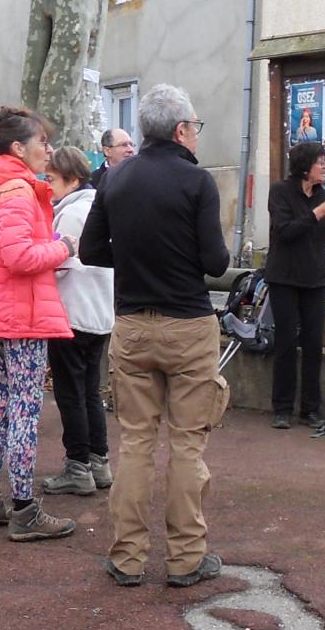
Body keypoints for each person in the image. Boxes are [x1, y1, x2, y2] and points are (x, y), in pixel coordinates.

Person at [79, 83, 229, 589]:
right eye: (196, 127)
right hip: (188, 324)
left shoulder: (116, 178)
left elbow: (91, 250)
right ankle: (186, 559)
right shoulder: (197, 182)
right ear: (182, 129)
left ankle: (127, 557)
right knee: (187, 446)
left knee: (136, 443)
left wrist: (139, 257)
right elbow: (215, 262)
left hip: (132, 325)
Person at [0, 107, 78, 542]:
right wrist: (63, 247)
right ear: (19, 148)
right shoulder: (17, 191)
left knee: (2, 407)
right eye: (43, 142)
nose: (49, 150)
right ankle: (23, 507)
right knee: (23, 408)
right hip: (19, 314)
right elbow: (20, 256)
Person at [39, 145, 115, 496]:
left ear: (71, 179)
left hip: (72, 313)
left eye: (51, 178)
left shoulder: (71, 214)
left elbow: (61, 260)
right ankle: (98, 461)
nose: (47, 184)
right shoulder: (99, 207)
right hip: (97, 313)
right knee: (88, 392)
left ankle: (78, 465)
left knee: (72, 393)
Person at [264, 140, 325, 431]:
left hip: (315, 278)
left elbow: (323, 238)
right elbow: (285, 231)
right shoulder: (280, 192)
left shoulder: (322, 194)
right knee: (286, 343)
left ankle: (311, 410)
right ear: (305, 167)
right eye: (320, 162)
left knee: (314, 344)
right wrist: (318, 212)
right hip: (285, 278)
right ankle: (281, 409)